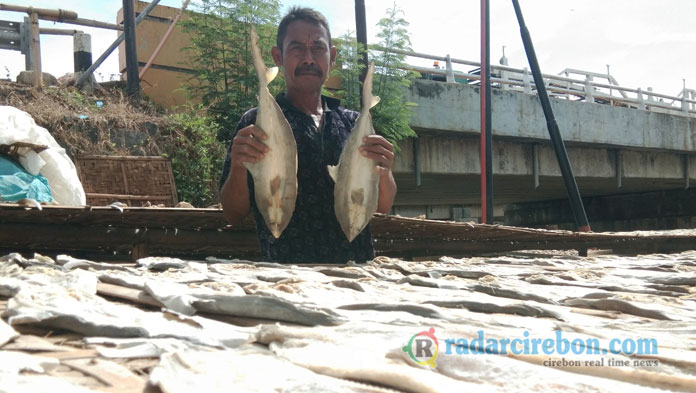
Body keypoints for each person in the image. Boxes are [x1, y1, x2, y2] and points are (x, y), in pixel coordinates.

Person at [219, 7, 397, 263]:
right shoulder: (254, 124)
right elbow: (232, 214)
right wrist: (238, 166)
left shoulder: (353, 123)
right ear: (277, 56)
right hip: (288, 279)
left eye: (318, 48)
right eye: (297, 48)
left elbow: (382, 205)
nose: (308, 59)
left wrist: (385, 170)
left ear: (332, 56)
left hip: (356, 275)